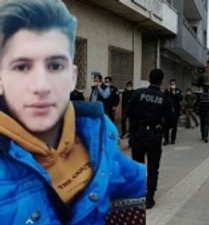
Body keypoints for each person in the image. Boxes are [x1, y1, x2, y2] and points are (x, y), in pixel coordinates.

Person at [0, 0, 146, 224]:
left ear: (73, 77)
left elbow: (135, 183)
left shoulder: (96, 134)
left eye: (55, 66)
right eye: (22, 67)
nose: (41, 86)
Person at [127, 68, 173, 209]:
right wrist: (162, 129)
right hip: (154, 136)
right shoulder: (164, 98)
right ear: (162, 80)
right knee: (153, 169)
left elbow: (128, 112)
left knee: (138, 167)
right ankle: (149, 199)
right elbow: (171, 121)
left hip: (138, 135)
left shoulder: (137, 94)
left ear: (148, 78)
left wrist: (134, 129)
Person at [163, 79, 183, 145]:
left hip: (175, 110)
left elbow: (180, 98)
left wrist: (175, 94)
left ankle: (173, 139)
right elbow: (164, 98)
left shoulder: (178, 91)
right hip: (167, 110)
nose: (172, 85)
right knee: (166, 126)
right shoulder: (167, 90)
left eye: (173, 84)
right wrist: (168, 92)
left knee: (174, 126)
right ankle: (166, 139)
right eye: (171, 84)